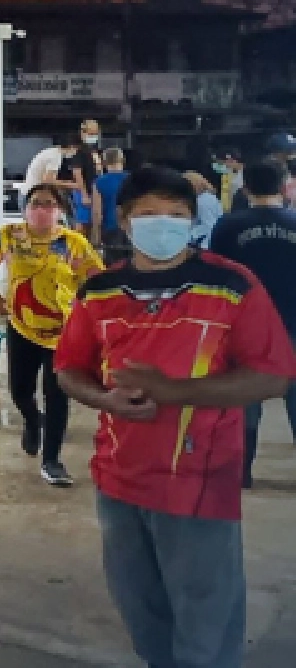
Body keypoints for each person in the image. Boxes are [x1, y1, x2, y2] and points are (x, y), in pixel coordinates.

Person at [57, 166, 296, 668]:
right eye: (149, 215)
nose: (163, 224)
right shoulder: (98, 291)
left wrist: (173, 391)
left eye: (176, 215)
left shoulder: (230, 285)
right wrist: (104, 401)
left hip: (199, 481)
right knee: (142, 612)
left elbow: (272, 375)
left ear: (193, 221)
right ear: (123, 221)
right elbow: (69, 368)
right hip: (118, 479)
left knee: (205, 622)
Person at [0, 185, 104, 487]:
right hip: (21, 326)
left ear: (60, 209)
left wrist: (91, 314)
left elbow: (98, 279)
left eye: (49, 204)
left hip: (63, 332)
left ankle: (52, 460)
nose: (42, 209)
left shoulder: (73, 242)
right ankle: (33, 421)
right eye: (36, 203)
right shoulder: (9, 235)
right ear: (25, 207)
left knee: (57, 394)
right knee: (20, 390)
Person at [209, 159, 296, 488]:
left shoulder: (228, 227)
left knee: (244, 402)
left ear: (244, 188)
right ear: (284, 185)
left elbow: (217, 279)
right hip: (294, 323)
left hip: (244, 327)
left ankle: (240, 473)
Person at [95, 147, 129, 260]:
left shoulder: (99, 183)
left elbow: (97, 214)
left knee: (114, 266)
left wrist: (96, 236)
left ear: (104, 163)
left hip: (110, 228)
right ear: (123, 160)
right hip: (132, 227)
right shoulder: (133, 180)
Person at [184, 171, 222, 248]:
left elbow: (209, 225)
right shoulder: (207, 197)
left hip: (205, 244)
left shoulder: (203, 201)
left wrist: (189, 235)